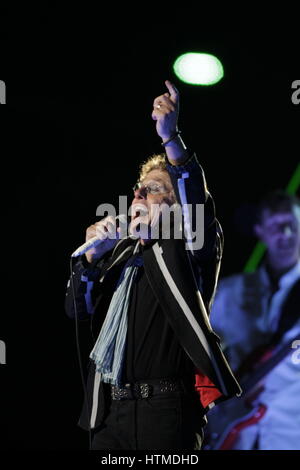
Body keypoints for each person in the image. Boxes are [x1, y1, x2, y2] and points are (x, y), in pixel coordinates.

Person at [65, 80, 241, 450]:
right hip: (110, 411)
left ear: (176, 206)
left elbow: (197, 206)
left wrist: (171, 138)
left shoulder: (188, 246)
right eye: (138, 189)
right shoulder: (121, 255)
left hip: (164, 411)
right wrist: (92, 260)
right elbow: (77, 310)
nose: (139, 194)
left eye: (155, 188)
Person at [209, 191, 300, 450]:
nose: (285, 233)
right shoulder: (228, 292)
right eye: (275, 225)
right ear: (259, 230)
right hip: (227, 428)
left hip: (289, 435)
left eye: (292, 224)